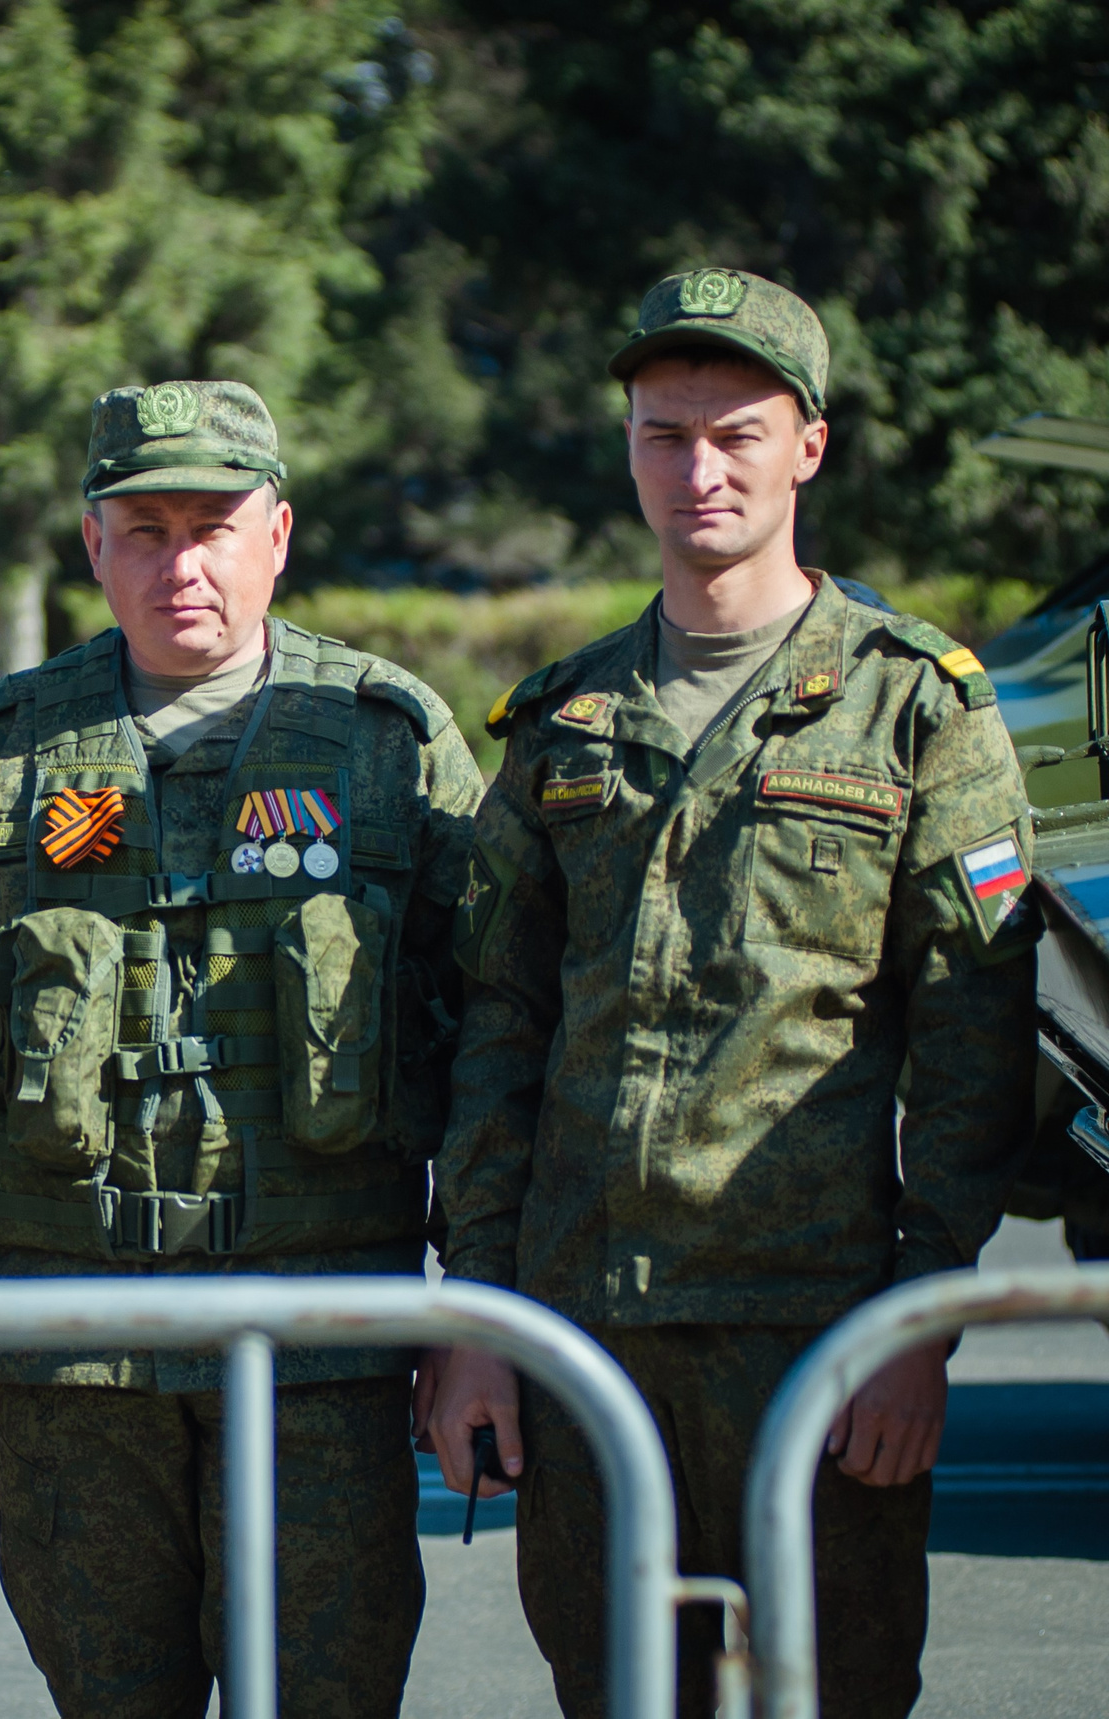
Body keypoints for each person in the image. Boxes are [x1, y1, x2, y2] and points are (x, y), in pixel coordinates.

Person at [428, 270, 1039, 1719]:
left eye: (735, 435)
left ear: (807, 447)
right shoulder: (561, 723)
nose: (696, 470)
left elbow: (974, 1039)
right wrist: (479, 1326)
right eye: (661, 434)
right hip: (590, 1332)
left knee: (837, 1693)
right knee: (620, 1694)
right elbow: (495, 1035)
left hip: (818, 1337)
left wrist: (917, 1328)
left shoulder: (916, 708)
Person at [0, 379, 483, 1718]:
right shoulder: (13, 751)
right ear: (93, 545)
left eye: (212, 525)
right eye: (143, 528)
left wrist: (479, 1308)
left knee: (324, 1695)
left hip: (324, 1339)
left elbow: (493, 1034)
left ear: (278, 533)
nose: (179, 562)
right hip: (74, 1344)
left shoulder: (389, 742)